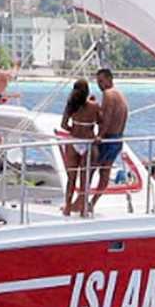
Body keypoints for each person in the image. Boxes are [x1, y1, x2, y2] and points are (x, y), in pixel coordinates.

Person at [60, 78, 101, 216]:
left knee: (71, 178)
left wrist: (74, 129)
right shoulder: (94, 106)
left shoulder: (70, 105)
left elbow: (63, 125)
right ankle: (83, 209)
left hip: (73, 142)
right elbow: (101, 121)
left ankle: (67, 208)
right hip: (88, 142)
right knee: (85, 178)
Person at [90, 68, 128, 211]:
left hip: (108, 138)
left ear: (109, 79)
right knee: (104, 171)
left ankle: (83, 201)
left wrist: (100, 135)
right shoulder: (120, 94)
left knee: (91, 168)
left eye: (101, 81)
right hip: (117, 138)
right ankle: (92, 202)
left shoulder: (108, 94)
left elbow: (107, 117)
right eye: (97, 82)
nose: (99, 85)